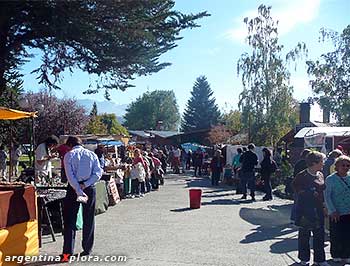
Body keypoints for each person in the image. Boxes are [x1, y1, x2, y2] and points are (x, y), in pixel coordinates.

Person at [62, 136, 103, 257]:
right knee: (89, 218)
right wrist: (86, 184)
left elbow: (70, 176)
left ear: (69, 145)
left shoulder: (69, 155)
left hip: (74, 188)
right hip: (89, 187)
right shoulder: (91, 155)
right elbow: (97, 173)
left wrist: (78, 188)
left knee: (70, 220)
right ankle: (87, 249)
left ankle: (67, 252)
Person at [293, 151, 329, 266]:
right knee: (304, 235)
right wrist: (309, 192)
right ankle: (304, 259)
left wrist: (324, 206)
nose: (323, 164)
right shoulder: (302, 176)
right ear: (314, 163)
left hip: (318, 209)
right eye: (322, 162)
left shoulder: (320, 174)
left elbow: (323, 190)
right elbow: (296, 189)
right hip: (305, 210)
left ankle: (320, 260)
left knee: (319, 235)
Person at [324, 155, 350, 263]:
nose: (345, 167)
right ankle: (336, 254)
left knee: (347, 235)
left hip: (348, 211)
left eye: (348, 165)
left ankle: (346, 254)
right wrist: (332, 210)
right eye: (343, 165)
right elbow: (327, 196)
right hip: (336, 212)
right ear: (337, 166)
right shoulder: (330, 179)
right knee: (336, 234)